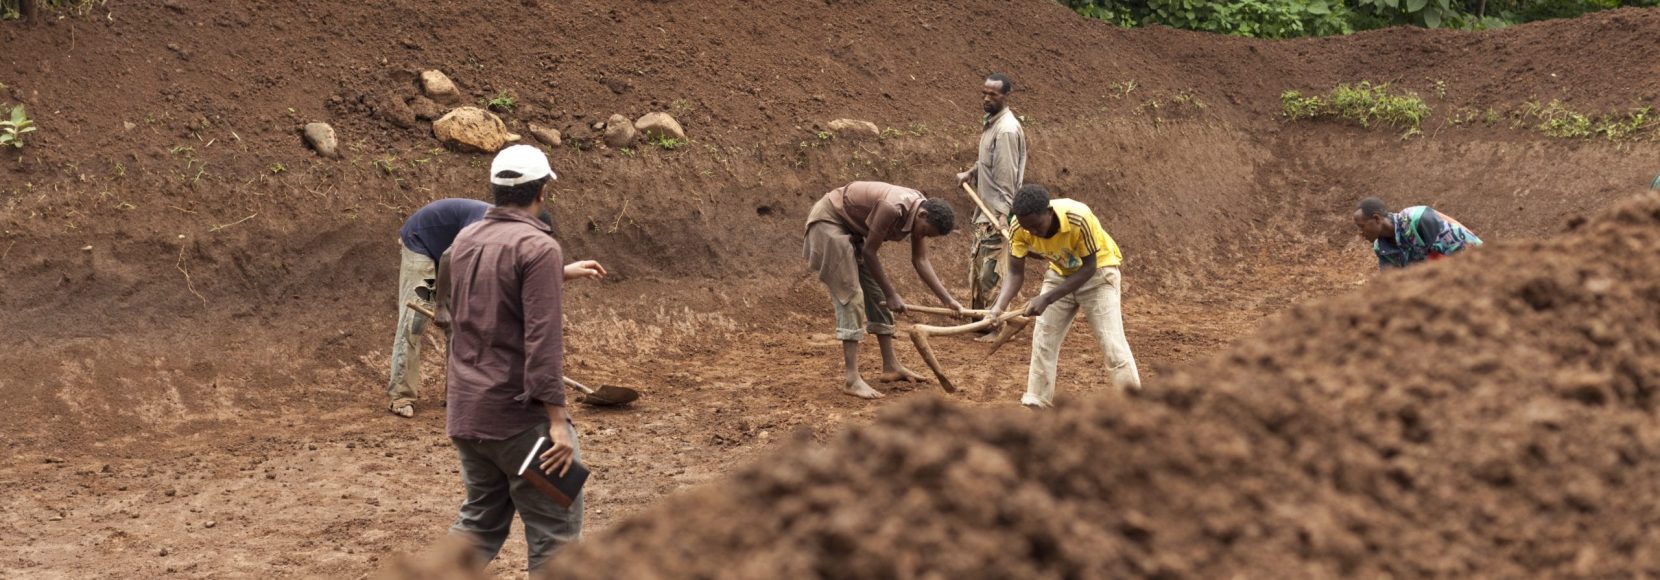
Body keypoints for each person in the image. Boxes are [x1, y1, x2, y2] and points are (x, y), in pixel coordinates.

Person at [441, 145, 589, 571]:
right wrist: (558, 424)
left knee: (480, 523)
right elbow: (542, 342)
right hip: (522, 425)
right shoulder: (538, 247)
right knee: (556, 533)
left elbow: (487, 289)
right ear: (542, 192)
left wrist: (559, 272)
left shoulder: (465, 239)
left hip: (469, 417)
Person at [804, 181, 964, 399]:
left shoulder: (919, 213)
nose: (923, 237)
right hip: (829, 222)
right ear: (923, 215)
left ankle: (891, 366)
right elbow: (870, 253)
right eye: (926, 232)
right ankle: (852, 380)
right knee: (851, 296)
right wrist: (892, 294)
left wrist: (948, 300)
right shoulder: (892, 207)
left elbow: (920, 260)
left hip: (853, 229)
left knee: (876, 294)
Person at [985, 184, 1140, 409]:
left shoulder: (1079, 217)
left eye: (1037, 226)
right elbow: (1015, 273)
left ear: (1048, 211)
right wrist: (998, 307)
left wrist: (1046, 299)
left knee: (1112, 344)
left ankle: (1134, 405)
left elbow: (1088, 268)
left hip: (1098, 276)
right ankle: (1037, 402)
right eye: (1028, 229)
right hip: (1059, 274)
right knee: (1043, 340)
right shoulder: (1019, 227)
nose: (1033, 233)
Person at [387, 198, 490, 418]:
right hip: (420, 241)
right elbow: (448, 257)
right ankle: (401, 396)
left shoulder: (509, 237)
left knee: (460, 322)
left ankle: (455, 393)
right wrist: (441, 305)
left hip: (448, 249)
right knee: (414, 320)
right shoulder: (486, 226)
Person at [957, 72, 1028, 315]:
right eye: (984, 93)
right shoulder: (992, 123)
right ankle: (980, 319)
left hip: (996, 213)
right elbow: (989, 162)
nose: (986, 98)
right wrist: (971, 172)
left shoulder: (1006, 130)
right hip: (984, 210)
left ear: (1005, 96)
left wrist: (1003, 215)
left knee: (992, 270)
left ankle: (995, 322)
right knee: (979, 268)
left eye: (993, 94)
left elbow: (1006, 176)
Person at [1353, 197, 1483, 270]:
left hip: (1476, 266)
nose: (1360, 233)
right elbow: (1391, 285)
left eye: (1361, 227)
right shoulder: (1382, 248)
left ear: (1376, 219)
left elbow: (1461, 248)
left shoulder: (1416, 219)